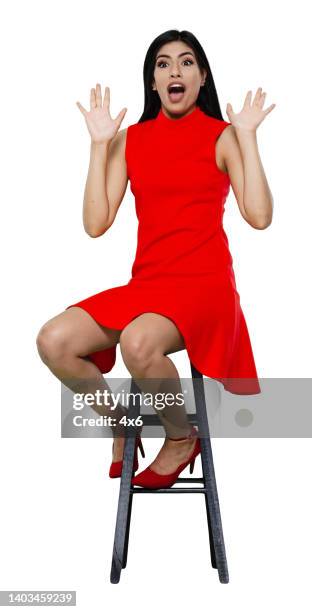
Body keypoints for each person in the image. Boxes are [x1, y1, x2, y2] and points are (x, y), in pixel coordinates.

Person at [36, 29, 274, 489]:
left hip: (204, 287)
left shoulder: (222, 137)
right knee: (54, 340)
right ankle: (122, 424)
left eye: (186, 63)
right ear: (152, 81)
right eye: (163, 64)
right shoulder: (132, 140)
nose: (174, 72)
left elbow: (259, 216)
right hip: (149, 285)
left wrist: (247, 137)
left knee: (139, 344)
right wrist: (99, 145)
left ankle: (182, 436)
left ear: (202, 77)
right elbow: (95, 223)